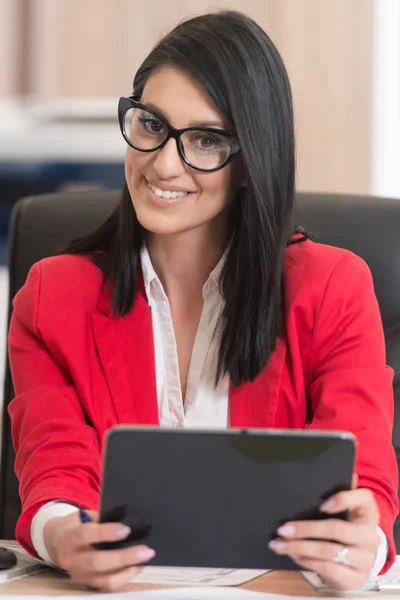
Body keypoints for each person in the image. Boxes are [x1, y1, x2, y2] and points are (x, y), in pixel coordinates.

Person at [8, 10, 398, 593]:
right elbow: (54, 465)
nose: (164, 163)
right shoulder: (52, 296)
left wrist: (361, 545)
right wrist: (67, 535)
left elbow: (364, 472)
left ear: (250, 160)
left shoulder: (332, 288)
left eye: (207, 140)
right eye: (151, 125)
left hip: (278, 589)